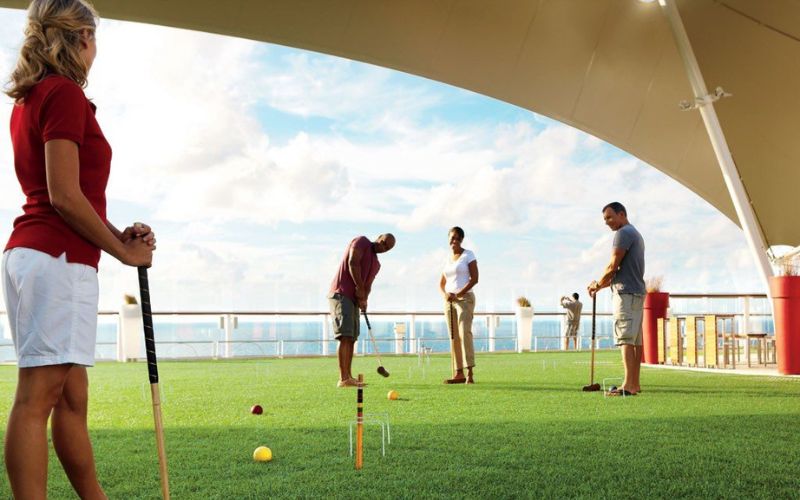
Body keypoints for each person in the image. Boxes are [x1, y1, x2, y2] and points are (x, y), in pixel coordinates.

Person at [1, 1, 155, 498]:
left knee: (70, 401)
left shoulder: (33, 98)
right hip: (57, 259)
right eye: (95, 38)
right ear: (82, 37)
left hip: (40, 254)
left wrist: (116, 234)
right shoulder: (63, 93)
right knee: (36, 400)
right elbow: (64, 196)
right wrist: (121, 251)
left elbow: (68, 196)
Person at [587, 202, 645, 396]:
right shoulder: (635, 233)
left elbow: (613, 266)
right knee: (635, 341)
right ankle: (634, 384)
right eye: (605, 219)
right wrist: (602, 285)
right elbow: (619, 269)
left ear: (622, 214)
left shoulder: (623, 234)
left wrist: (597, 285)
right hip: (637, 292)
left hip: (625, 293)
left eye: (610, 217)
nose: (607, 222)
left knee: (625, 339)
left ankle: (628, 386)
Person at [328, 234, 395, 387]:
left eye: (387, 248)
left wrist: (364, 299)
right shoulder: (362, 242)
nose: (383, 247)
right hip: (341, 293)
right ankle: (343, 378)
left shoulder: (376, 264)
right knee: (345, 336)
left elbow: (368, 285)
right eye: (383, 243)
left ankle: (348, 377)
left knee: (352, 337)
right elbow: (353, 263)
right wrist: (359, 288)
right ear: (378, 238)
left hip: (354, 299)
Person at [440, 226, 479, 384]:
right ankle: (458, 373)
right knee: (453, 336)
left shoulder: (468, 255)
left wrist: (459, 294)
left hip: (465, 300)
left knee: (464, 333)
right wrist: (446, 295)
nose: (454, 240)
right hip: (449, 302)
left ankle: (470, 372)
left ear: (461, 239)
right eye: (451, 237)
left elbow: (474, 279)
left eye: (457, 237)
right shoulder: (447, 259)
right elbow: (442, 283)